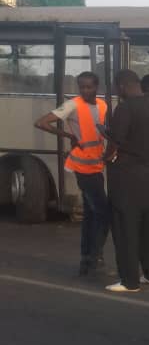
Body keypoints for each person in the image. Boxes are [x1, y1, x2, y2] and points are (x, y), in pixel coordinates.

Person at [33, 71, 110, 276]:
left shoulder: (103, 106)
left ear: (97, 87)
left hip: (97, 166)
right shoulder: (72, 105)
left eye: (89, 87)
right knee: (104, 213)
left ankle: (86, 259)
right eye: (81, 87)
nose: (85, 90)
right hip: (83, 168)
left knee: (91, 214)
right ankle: (95, 256)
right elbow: (41, 122)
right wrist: (69, 135)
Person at [103, 70, 149, 293]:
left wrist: (106, 156)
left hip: (129, 178)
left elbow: (116, 142)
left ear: (121, 86)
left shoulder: (125, 108)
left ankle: (129, 281)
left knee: (126, 229)